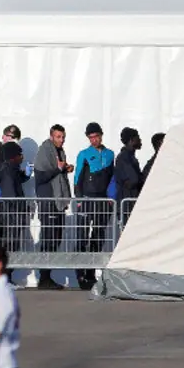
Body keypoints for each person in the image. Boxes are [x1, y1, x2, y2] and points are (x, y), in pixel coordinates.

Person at [72, 123, 115, 290]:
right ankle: (80, 274)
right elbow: (77, 178)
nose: (94, 140)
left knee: (98, 236)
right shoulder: (83, 154)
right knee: (82, 237)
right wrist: (79, 198)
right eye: (90, 137)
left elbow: (112, 178)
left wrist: (111, 199)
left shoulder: (110, 154)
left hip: (103, 201)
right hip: (87, 200)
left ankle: (91, 273)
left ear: (101, 135)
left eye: (96, 136)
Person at [33, 125, 73, 291]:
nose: (61, 140)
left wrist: (65, 169)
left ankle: (47, 276)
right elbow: (41, 177)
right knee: (48, 239)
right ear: (51, 136)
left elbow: (57, 172)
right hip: (48, 202)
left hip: (58, 203)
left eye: (62, 137)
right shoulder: (44, 152)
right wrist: (58, 169)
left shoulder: (59, 151)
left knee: (56, 239)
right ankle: (43, 277)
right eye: (58, 137)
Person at [0, 142, 28, 269]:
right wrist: (22, 208)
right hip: (10, 215)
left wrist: (25, 175)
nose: (22, 157)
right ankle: (6, 276)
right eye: (20, 154)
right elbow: (10, 195)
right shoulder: (8, 171)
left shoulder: (12, 169)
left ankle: (8, 276)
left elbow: (17, 181)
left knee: (12, 244)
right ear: (13, 156)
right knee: (10, 245)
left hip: (12, 214)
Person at [114, 127, 145, 212]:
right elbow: (133, 180)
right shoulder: (124, 158)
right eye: (138, 138)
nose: (140, 140)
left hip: (129, 201)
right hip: (127, 203)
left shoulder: (129, 157)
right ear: (131, 140)